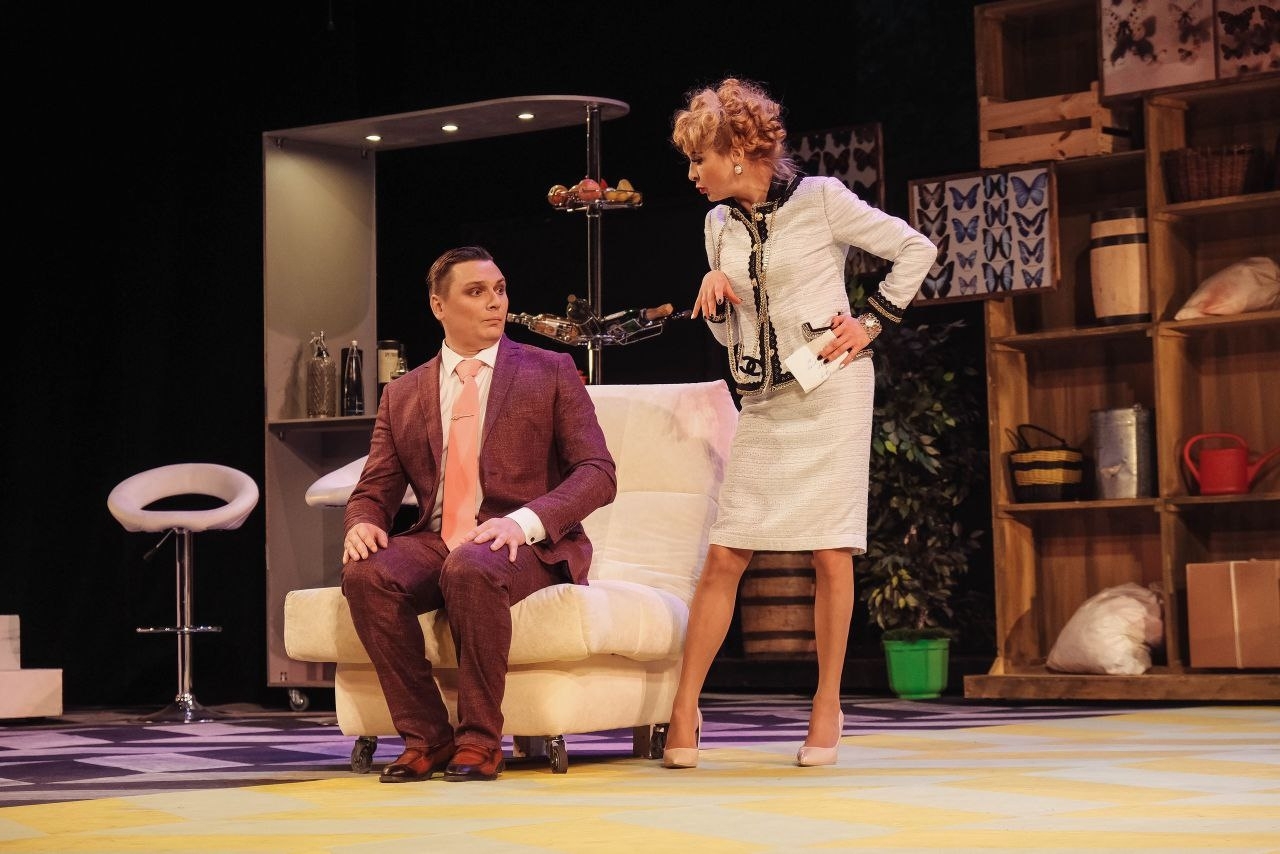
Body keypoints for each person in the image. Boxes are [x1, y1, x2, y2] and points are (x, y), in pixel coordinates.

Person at [661, 78, 937, 769]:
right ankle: (684, 707)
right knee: (727, 552)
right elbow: (732, 337)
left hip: (831, 389)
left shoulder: (820, 201)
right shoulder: (716, 227)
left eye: (699, 160)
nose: (692, 175)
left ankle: (827, 703)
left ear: (735, 151)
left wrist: (871, 322)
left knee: (829, 551)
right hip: (764, 402)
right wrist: (716, 299)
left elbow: (916, 249)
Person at [340, 245, 617, 783]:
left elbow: (598, 472)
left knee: (471, 565)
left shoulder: (550, 370)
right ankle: (427, 738)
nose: (496, 302)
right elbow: (374, 489)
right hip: (438, 538)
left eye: (500, 290)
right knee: (366, 573)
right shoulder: (403, 392)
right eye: (476, 292)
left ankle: (479, 741)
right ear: (438, 306)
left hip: (525, 542)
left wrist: (524, 521)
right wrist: (363, 522)